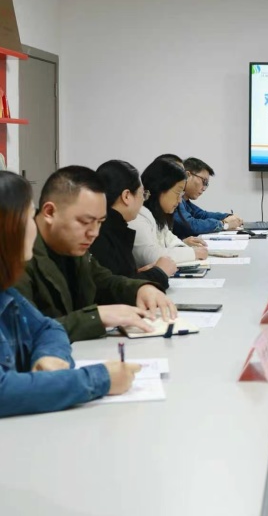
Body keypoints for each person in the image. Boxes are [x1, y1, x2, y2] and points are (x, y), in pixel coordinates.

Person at [0, 171, 141, 416]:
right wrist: (100, 379)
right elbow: (4, 392)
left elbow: (47, 328)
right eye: (28, 217)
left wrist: (50, 356)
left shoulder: (6, 291)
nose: (33, 226)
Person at [15, 166, 175, 343]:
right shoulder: (16, 255)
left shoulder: (72, 245)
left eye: (99, 222)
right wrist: (95, 317)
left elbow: (104, 281)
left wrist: (141, 289)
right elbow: (24, 333)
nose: (94, 233)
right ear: (50, 212)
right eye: (85, 222)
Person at [91, 160, 176, 290]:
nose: (143, 201)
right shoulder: (103, 232)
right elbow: (112, 289)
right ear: (126, 196)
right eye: (142, 194)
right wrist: (159, 272)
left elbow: (120, 277)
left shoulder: (114, 226)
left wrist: (140, 273)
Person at [130, 158, 208, 267]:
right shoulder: (139, 216)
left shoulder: (159, 216)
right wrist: (193, 253)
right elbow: (150, 256)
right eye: (177, 193)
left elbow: (172, 241)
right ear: (160, 187)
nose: (179, 200)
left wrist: (185, 249)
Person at [173, 157, 243, 240]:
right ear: (188, 175)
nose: (204, 188)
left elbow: (203, 215)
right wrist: (224, 224)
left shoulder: (185, 202)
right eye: (204, 181)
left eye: (206, 184)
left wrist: (228, 216)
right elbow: (191, 225)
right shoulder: (173, 200)